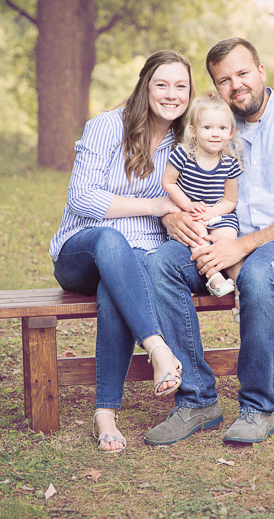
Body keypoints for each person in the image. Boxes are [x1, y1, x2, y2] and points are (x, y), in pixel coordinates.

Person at [142, 37, 274, 446]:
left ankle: (256, 407)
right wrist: (175, 213)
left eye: (243, 73)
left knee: (258, 273)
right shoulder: (212, 130)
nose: (236, 86)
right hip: (219, 239)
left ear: (261, 71)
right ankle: (197, 400)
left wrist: (244, 246)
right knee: (160, 263)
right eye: (224, 80)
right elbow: (176, 183)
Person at [48, 50, 192, 453]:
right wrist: (156, 207)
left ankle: (104, 414)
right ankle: (159, 348)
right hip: (81, 250)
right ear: (145, 86)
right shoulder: (107, 127)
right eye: (162, 84)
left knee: (120, 275)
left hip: (136, 254)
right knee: (113, 243)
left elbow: (190, 198)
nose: (171, 94)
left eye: (180, 86)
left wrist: (175, 217)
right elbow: (83, 199)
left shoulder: (184, 144)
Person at [160, 92, 244, 298]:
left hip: (217, 214)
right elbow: (168, 182)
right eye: (208, 127)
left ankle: (242, 295)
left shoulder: (229, 163)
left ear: (231, 132)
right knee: (197, 232)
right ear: (193, 130)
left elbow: (230, 200)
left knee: (226, 240)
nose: (216, 134)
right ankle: (214, 277)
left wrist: (212, 212)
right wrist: (187, 205)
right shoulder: (184, 154)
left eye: (222, 128)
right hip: (191, 214)